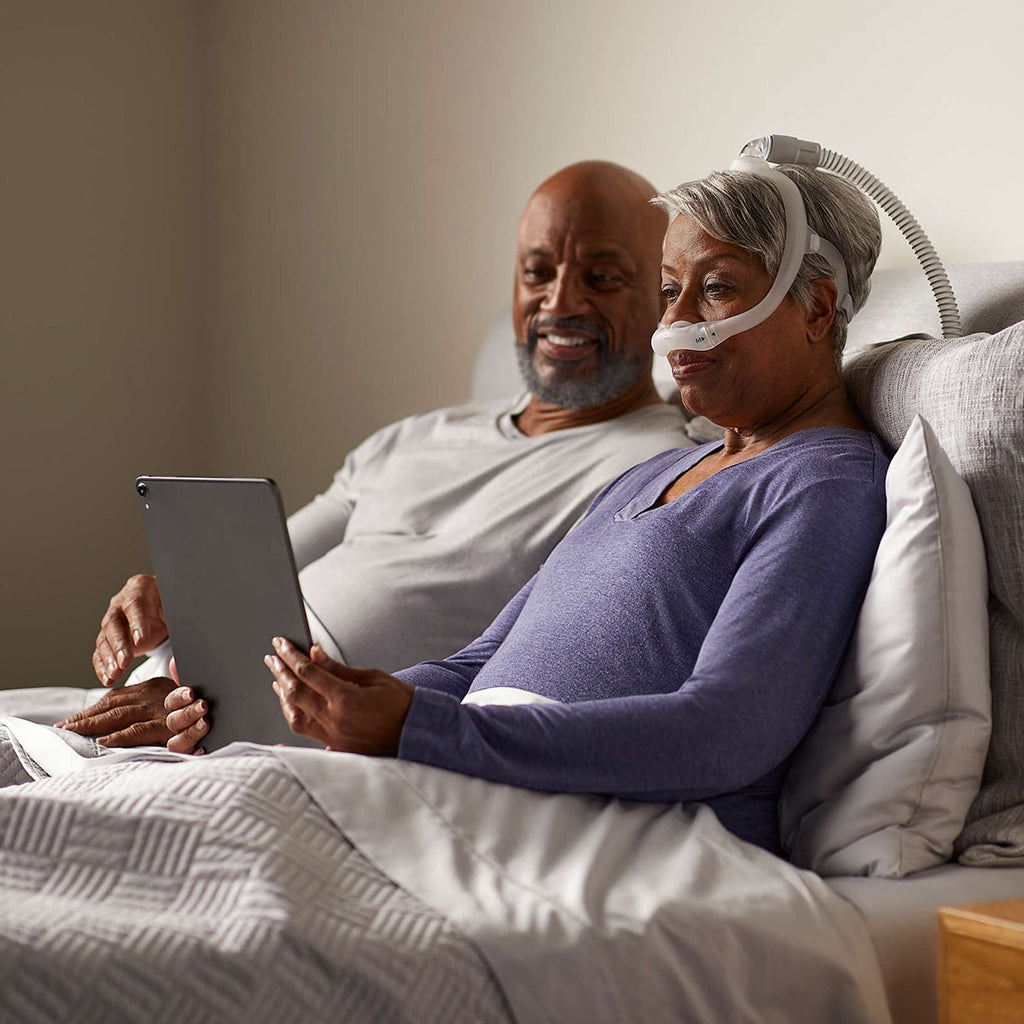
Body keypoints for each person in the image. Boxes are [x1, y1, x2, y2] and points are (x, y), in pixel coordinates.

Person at [166, 162, 890, 857]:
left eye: (718, 288)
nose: (674, 322)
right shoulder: (661, 471)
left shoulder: (820, 484)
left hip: (602, 836)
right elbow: (477, 663)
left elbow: (727, 731)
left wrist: (430, 732)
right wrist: (335, 707)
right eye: (669, 289)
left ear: (817, 308)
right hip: (477, 788)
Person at [18, 161, 689, 746]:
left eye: (602, 278)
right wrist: (169, 596)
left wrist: (236, 701)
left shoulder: (659, 468)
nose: (559, 302)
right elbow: (248, 574)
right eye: (537, 272)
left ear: (663, 297)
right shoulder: (416, 436)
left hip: (301, 732)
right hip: (184, 695)